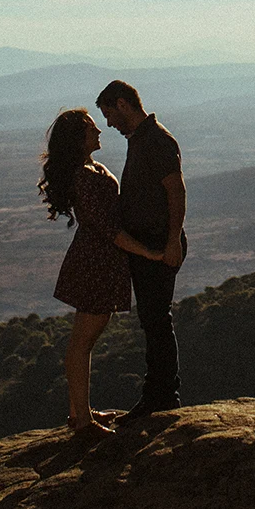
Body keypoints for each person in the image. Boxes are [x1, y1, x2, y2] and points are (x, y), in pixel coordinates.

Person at [37, 106, 165, 436]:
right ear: (78, 139)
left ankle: (79, 413)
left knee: (86, 341)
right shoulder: (84, 175)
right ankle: (82, 421)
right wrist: (149, 252)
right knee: (82, 342)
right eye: (92, 129)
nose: (99, 132)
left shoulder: (91, 168)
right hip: (95, 263)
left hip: (102, 264)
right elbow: (110, 229)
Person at [97, 78, 186, 416]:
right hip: (149, 244)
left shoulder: (157, 141)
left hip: (159, 244)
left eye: (109, 114)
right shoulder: (141, 140)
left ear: (123, 104)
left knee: (157, 320)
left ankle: (163, 397)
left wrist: (173, 240)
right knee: (152, 319)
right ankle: (159, 394)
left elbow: (176, 192)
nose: (109, 123)